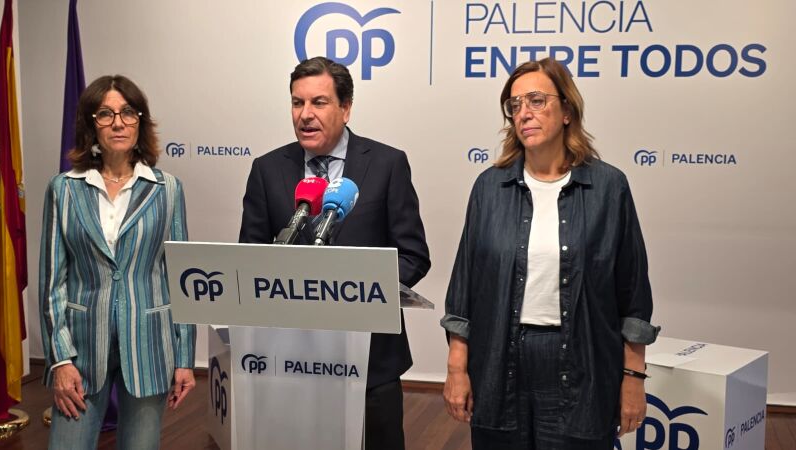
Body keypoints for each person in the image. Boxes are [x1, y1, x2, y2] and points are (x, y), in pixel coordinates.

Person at [441, 58, 660, 449]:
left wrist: (633, 378)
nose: (524, 113)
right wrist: (457, 368)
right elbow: (464, 287)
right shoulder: (489, 188)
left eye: (537, 100)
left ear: (567, 110)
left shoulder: (608, 188)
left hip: (582, 365)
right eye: (515, 105)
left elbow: (633, 296)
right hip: (498, 362)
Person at [239, 56, 430, 450]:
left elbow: (413, 255)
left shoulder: (387, 164)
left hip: (371, 360)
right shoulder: (267, 169)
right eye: (297, 103)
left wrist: (357, 293)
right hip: (290, 359)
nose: (305, 114)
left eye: (319, 102)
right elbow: (250, 258)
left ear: (346, 108)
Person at [39, 75, 196, 450]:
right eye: (105, 114)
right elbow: (52, 283)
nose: (118, 122)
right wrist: (60, 361)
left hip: (149, 344)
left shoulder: (167, 190)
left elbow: (180, 278)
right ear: (91, 123)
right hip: (80, 349)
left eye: (128, 112)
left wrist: (185, 357)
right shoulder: (63, 189)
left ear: (140, 121)